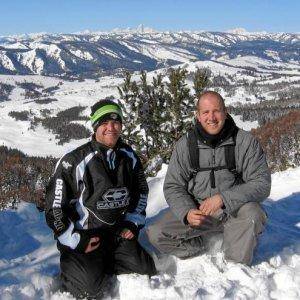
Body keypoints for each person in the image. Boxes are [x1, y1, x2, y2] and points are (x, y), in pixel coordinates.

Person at [45, 100, 156, 299]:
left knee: (145, 269)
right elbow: (54, 208)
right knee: (91, 290)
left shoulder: (128, 156)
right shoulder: (74, 161)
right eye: (104, 122)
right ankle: (74, 269)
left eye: (116, 122)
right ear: (95, 125)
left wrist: (133, 222)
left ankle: (101, 264)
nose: (111, 128)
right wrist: (74, 240)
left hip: (115, 234)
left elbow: (141, 192)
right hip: (84, 236)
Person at [147, 91, 271, 265]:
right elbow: (173, 186)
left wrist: (223, 199)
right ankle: (202, 244)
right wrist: (187, 212)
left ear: (225, 112)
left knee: (253, 214)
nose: (211, 117)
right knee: (156, 233)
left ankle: (236, 265)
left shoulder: (245, 142)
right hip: (199, 212)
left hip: (233, 210)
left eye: (216, 111)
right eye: (205, 112)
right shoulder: (186, 145)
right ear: (198, 116)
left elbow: (261, 183)